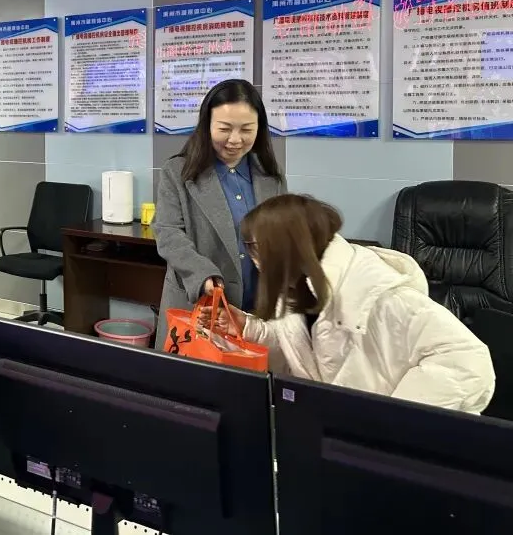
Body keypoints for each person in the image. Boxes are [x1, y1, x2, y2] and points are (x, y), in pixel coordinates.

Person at [203, 194, 495, 414]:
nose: (254, 261)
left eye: (256, 249)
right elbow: (300, 353)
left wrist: (394, 420)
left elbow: (468, 360)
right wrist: (250, 329)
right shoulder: (295, 291)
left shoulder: (378, 295)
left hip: (387, 451)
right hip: (335, 439)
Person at [154, 79, 286, 349]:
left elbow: (283, 234)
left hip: (254, 312)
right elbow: (168, 232)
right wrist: (202, 274)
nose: (235, 140)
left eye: (246, 129)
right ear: (207, 126)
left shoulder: (270, 177)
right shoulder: (178, 172)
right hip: (198, 307)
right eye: (224, 129)